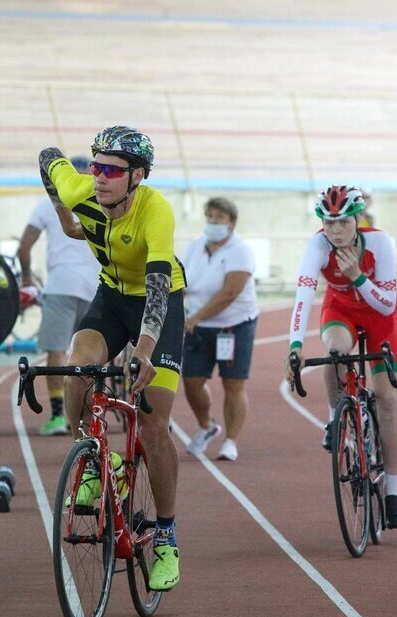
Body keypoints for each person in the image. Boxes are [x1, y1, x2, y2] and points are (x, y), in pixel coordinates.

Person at [38, 125, 186, 591]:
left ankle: (165, 537)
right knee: (81, 366)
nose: (98, 176)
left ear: (137, 176)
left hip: (158, 301)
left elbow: (159, 286)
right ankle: (92, 460)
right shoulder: (82, 187)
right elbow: (47, 157)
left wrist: (143, 352)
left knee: (154, 422)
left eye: (111, 170)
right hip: (112, 297)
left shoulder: (156, 211)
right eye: (95, 165)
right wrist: (64, 214)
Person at [283, 185, 397, 529]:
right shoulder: (318, 245)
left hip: (379, 314)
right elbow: (303, 296)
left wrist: (357, 276)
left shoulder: (381, 243)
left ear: (357, 219)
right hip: (340, 309)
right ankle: (334, 420)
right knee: (335, 352)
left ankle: (394, 491)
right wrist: (295, 346)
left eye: (343, 222)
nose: (336, 231)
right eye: (328, 223)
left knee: (385, 396)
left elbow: (386, 303)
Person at [17, 156, 99, 436]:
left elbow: (23, 248)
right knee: (91, 353)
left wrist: (27, 278)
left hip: (62, 284)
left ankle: (57, 416)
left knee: (57, 349)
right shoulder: (101, 201)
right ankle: (90, 415)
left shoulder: (48, 204)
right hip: (97, 287)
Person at [179, 197, 259, 462]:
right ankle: (207, 425)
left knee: (233, 384)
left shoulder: (241, 252)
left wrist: (195, 317)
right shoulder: (194, 248)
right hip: (198, 325)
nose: (213, 222)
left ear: (232, 223)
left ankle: (230, 441)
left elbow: (229, 292)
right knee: (191, 380)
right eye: (210, 216)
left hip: (234, 326)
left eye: (220, 218)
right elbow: (178, 282)